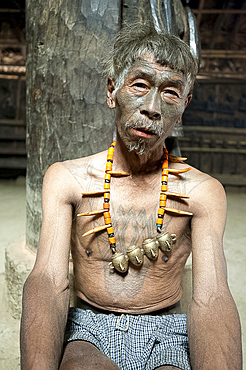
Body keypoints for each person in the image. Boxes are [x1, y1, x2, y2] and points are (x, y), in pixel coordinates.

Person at [20, 24, 242, 370]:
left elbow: (211, 296)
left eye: (170, 92)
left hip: (167, 331)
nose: (152, 107)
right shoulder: (68, 179)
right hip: (88, 328)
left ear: (184, 106)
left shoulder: (202, 192)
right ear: (113, 91)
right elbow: (48, 280)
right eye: (140, 85)